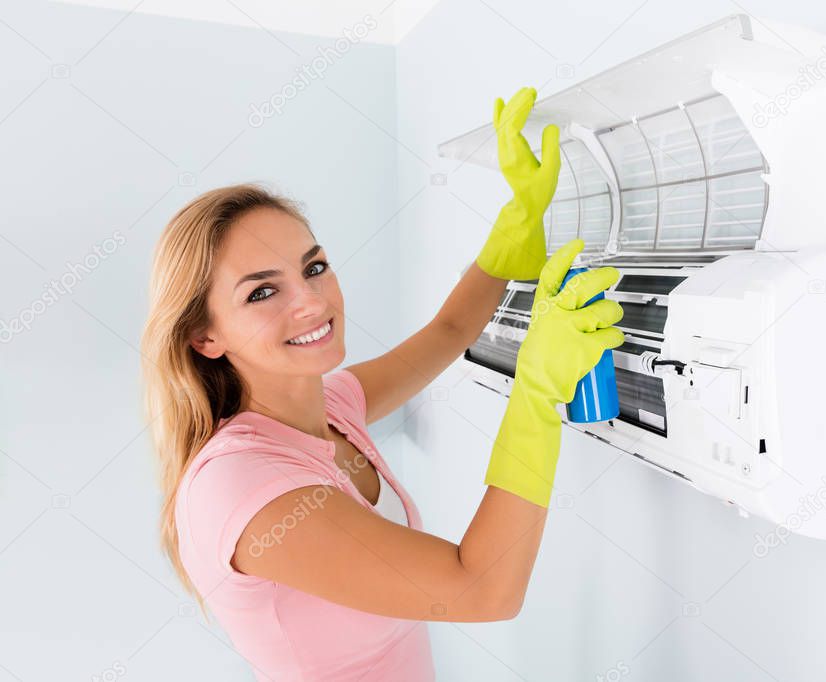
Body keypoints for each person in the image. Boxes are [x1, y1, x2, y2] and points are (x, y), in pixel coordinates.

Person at [140, 86, 624, 681]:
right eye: (262, 291)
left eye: (313, 267)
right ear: (204, 337)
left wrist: (518, 222)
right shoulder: (244, 485)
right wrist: (538, 393)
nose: (312, 301)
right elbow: (482, 589)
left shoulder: (330, 409)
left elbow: (448, 331)